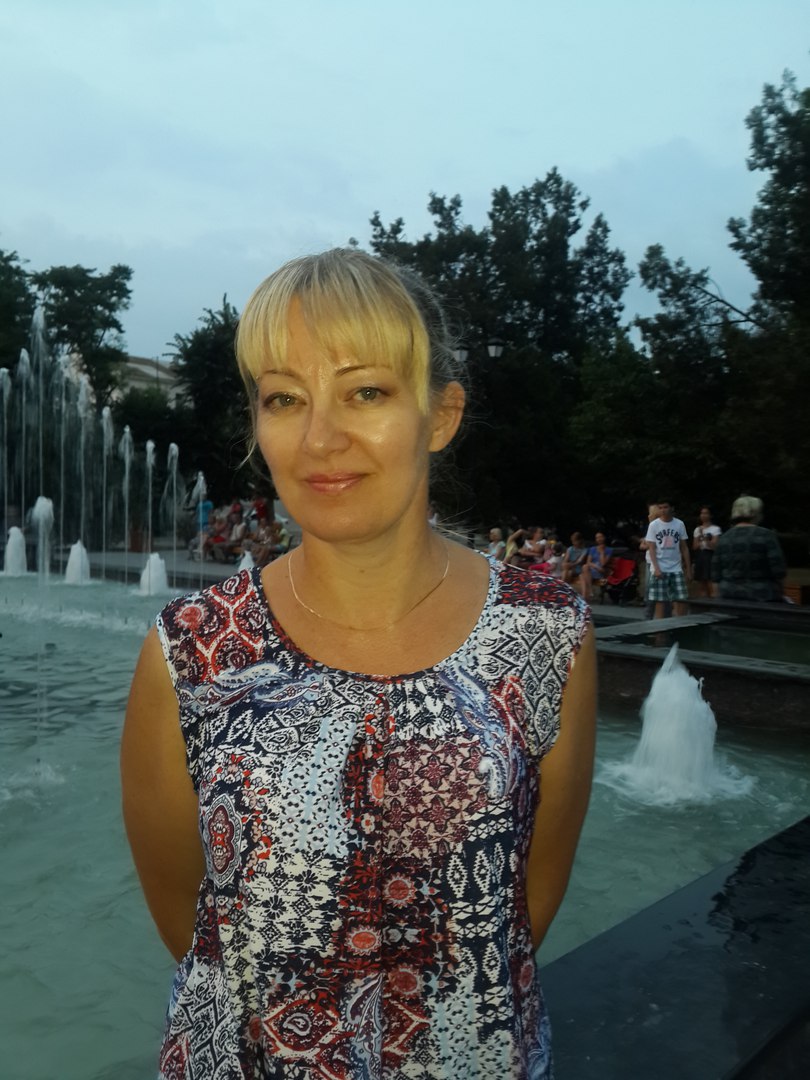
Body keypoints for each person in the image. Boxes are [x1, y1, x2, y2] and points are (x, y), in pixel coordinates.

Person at [121, 248, 596, 1079]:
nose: (320, 438)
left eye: (365, 392)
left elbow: (525, 904)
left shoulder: (549, 632)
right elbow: (189, 917)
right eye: (285, 398)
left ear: (440, 415)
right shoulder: (190, 648)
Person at [711, 494, 786, 602]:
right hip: (763, 596)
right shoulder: (766, 535)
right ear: (756, 513)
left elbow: (715, 574)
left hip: (728, 596)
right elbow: (779, 571)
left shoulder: (724, 538)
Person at [645, 499, 691, 618]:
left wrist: (688, 569)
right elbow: (651, 548)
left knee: (681, 599)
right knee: (660, 601)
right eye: (660, 508)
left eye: (665, 507)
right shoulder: (654, 525)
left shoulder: (679, 524)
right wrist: (656, 568)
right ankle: (660, 628)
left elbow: (684, 547)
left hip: (676, 567)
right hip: (660, 567)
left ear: (671, 508)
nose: (663, 510)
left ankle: (680, 624)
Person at [692, 506, 721, 598]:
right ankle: (703, 601)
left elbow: (714, 546)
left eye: (706, 513)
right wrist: (700, 536)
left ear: (710, 515)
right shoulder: (697, 529)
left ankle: (713, 600)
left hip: (710, 555)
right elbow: (695, 546)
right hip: (700, 555)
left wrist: (704, 537)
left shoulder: (715, 529)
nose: (703, 515)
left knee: (710, 581)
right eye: (702, 513)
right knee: (701, 582)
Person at [582, 531, 613, 601]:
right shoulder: (592, 549)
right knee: (584, 568)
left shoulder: (609, 550)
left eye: (600, 537)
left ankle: (586, 595)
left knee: (582, 575)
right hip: (594, 570)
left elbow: (603, 564)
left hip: (602, 572)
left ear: (604, 538)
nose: (599, 539)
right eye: (597, 538)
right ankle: (589, 592)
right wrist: (596, 567)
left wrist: (602, 552)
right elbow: (588, 562)